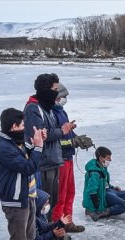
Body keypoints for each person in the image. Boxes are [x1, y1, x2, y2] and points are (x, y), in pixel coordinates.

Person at [0, 108, 44, 240]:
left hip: (28, 197)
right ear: (14, 126)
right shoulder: (5, 148)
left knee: (30, 238)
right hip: (15, 202)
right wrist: (38, 148)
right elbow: (28, 167)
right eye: (22, 124)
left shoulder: (16, 141)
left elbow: (28, 153)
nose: (24, 127)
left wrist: (37, 142)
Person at [24, 73, 75, 218]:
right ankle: (42, 235)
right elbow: (40, 135)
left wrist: (64, 130)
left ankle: (53, 232)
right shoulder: (33, 108)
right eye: (54, 90)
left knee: (52, 202)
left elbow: (49, 131)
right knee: (43, 204)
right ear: (46, 90)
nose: (56, 94)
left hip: (53, 160)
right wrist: (62, 131)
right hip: (42, 164)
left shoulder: (47, 108)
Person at [51, 83, 84, 232]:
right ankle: (58, 226)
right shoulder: (51, 113)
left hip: (68, 156)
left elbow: (67, 133)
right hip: (60, 159)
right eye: (63, 96)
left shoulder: (61, 111)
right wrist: (71, 142)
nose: (65, 99)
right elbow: (55, 139)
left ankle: (67, 221)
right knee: (60, 194)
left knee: (70, 191)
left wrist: (78, 139)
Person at [83, 147, 125, 221]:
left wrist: (112, 187)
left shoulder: (103, 168)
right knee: (124, 205)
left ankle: (108, 205)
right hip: (102, 194)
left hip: (107, 190)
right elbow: (92, 192)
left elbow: (104, 183)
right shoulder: (95, 173)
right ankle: (101, 212)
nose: (110, 160)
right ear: (101, 158)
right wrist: (96, 206)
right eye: (108, 158)